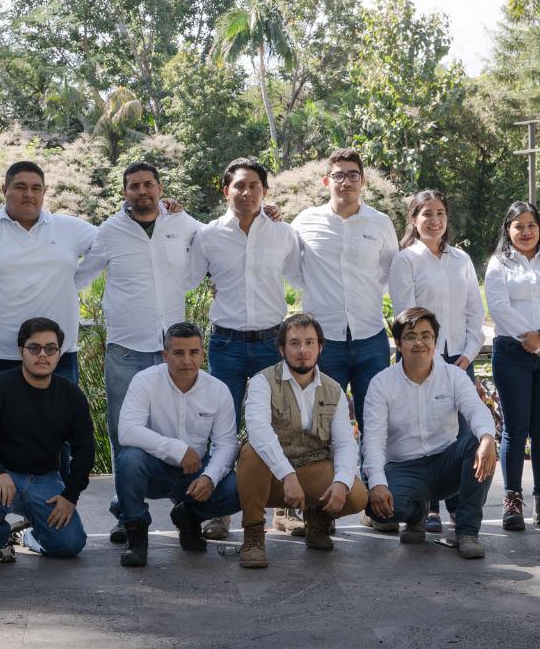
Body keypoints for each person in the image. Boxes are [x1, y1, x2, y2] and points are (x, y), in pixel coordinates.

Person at [74, 161, 203, 544]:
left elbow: (219, 241)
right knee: (123, 434)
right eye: (134, 186)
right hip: (126, 349)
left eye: (149, 184)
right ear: (125, 192)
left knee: (185, 429)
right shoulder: (109, 232)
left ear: (161, 188)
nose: (142, 191)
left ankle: (189, 511)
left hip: (175, 352)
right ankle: (127, 513)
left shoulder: (183, 224)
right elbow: (79, 277)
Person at [186, 157, 301, 539]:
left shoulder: (283, 234)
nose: (246, 191)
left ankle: (286, 508)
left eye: (254, 185)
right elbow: (186, 279)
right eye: (239, 185)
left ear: (264, 191)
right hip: (226, 343)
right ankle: (218, 510)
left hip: (273, 343)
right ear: (225, 190)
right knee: (221, 427)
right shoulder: (207, 235)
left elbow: (303, 278)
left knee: (280, 424)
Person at [286, 148, 395, 536]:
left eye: (353, 175)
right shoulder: (305, 222)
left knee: (376, 423)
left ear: (362, 181)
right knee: (318, 427)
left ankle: (373, 503)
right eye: (338, 175)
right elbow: (294, 273)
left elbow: (388, 273)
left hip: (369, 338)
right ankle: (317, 511)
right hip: (323, 343)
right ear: (325, 181)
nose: (345, 181)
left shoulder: (380, 223)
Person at [0, 160, 97, 385]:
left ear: (45, 192)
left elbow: (112, 243)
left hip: (57, 358)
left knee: (59, 421)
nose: (29, 194)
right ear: (4, 190)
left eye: (36, 188)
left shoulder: (68, 228)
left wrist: (164, 212)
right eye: (20, 187)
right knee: (0, 422)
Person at [236, 313, 370, 568]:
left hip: (310, 468)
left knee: (358, 496)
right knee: (252, 452)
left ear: (320, 347)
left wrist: (342, 482)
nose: (302, 350)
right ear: (282, 349)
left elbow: (344, 443)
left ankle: (317, 517)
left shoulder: (333, 389)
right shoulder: (262, 382)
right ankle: (253, 536)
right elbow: (259, 432)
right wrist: (288, 475)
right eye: (294, 343)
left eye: (309, 342)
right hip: (270, 474)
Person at [363, 307, 497, 559]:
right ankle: (416, 514)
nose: (419, 343)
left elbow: (476, 410)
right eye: (411, 336)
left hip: (445, 465)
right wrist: (378, 484)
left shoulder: (454, 375)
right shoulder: (381, 383)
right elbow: (372, 440)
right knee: (376, 507)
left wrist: (488, 439)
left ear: (435, 341)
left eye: (426, 336)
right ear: (398, 343)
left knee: (479, 441)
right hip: (403, 467)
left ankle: (467, 532)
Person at [387, 189, 484, 533]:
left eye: (440, 212)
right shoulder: (406, 260)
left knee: (462, 433)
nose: (435, 220)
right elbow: (407, 317)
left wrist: (468, 354)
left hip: (460, 359)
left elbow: (475, 312)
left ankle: (458, 505)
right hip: (420, 359)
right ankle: (427, 508)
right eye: (426, 213)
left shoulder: (461, 260)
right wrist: (429, 356)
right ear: (414, 219)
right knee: (422, 427)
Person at [0, 318, 95, 563]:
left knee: (69, 545)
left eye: (50, 349)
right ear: (21, 350)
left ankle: (26, 535)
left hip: (45, 480)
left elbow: (85, 449)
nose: (42, 355)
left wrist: (70, 496)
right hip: (0, 478)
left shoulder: (71, 396)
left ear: (58, 352)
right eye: (34, 348)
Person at [113, 322, 241, 567]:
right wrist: (177, 450)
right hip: (155, 470)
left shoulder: (218, 390)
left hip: (196, 474)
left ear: (203, 354)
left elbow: (226, 444)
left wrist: (210, 478)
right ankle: (137, 538)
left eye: (194, 352)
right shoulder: (145, 381)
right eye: (178, 353)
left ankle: (189, 517)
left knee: (240, 487)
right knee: (129, 459)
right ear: (165, 355)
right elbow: (127, 431)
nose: (187, 360)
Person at [484, 201, 540, 532]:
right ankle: (512, 502)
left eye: (531, 225)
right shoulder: (498, 264)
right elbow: (498, 307)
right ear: (508, 231)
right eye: (518, 226)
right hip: (512, 354)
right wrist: (535, 344)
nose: (526, 232)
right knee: (514, 429)